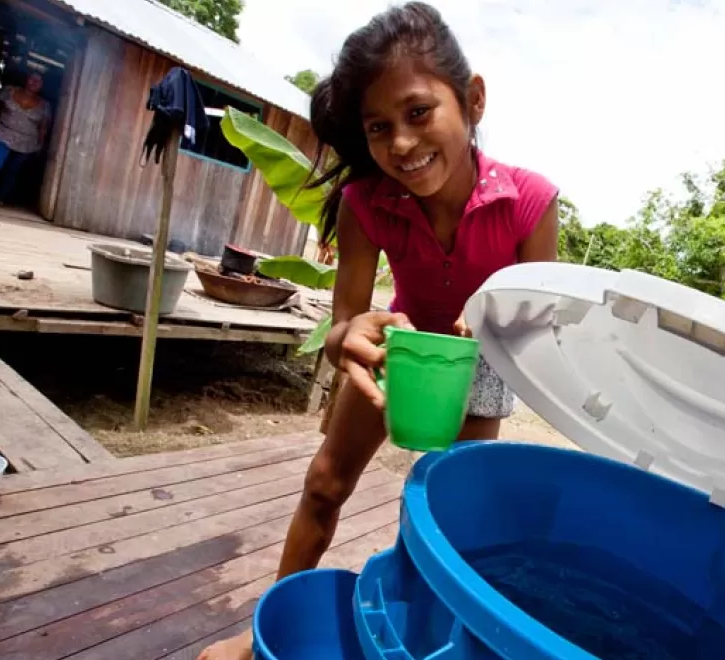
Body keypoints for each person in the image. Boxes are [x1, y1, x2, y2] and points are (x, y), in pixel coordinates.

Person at [197, 3, 559, 659]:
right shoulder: (365, 203)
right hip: (395, 348)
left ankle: (418, 642)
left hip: (482, 362)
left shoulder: (531, 202)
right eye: (378, 128)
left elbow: (542, 322)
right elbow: (344, 323)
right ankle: (261, 636)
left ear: (472, 100)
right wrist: (348, 340)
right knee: (324, 484)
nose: (401, 144)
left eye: (419, 112)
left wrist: (498, 319)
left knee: (447, 520)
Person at [0, 71, 53, 205]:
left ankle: (0, 197)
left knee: (12, 170)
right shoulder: (9, 91)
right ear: (26, 79)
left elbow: (43, 127)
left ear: (42, 85)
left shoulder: (44, 106)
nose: (34, 83)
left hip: (26, 142)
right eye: (32, 79)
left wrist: (41, 144)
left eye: (38, 81)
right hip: (2, 133)